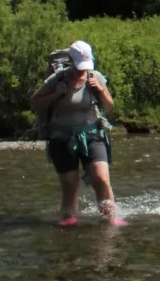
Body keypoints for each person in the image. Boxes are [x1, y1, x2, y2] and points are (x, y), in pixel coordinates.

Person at [30, 40, 125, 227]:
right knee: (70, 185)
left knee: (102, 179)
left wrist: (100, 90)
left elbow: (109, 108)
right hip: (61, 138)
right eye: (78, 66)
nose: (82, 70)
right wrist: (56, 95)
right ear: (70, 62)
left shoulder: (95, 77)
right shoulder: (56, 80)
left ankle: (110, 218)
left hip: (92, 135)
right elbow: (35, 103)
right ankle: (69, 220)